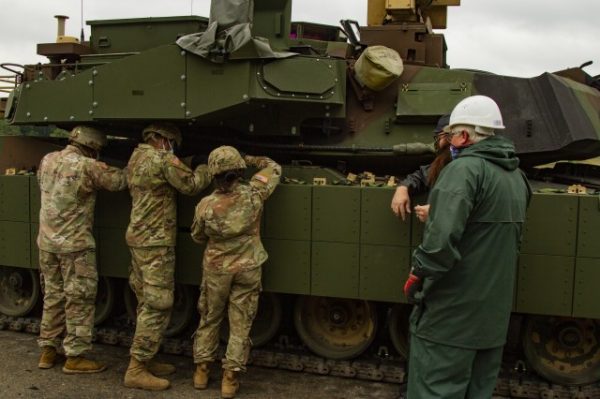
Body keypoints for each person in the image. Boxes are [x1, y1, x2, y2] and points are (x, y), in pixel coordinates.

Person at [403, 95, 531, 398]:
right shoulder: (517, 176)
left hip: (450, 319)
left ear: (462, 135)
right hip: (491, 320)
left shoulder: (462, 171)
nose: (447, 142)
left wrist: (416, 277)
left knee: (435, 390)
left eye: (450, 135)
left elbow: (438, 246)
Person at [123, 122, 211, 391]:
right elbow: (192, 184)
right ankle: (136, 369)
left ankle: (147, 359)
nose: (172, 148)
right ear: (162, 140)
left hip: (139, 238)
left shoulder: (136, 156)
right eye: (172, 143)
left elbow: (168, 168)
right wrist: (206, 167)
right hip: (156, 242)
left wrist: (181, 161)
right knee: (158, 303)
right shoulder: (162, 159)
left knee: (144, 300)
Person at [190, 146, 281, 399]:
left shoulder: (206, 205)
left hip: (217, 270)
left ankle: (201, 372)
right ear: (239, 171)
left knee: (210, 317)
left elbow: (197, 236)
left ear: (213, 174)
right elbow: (274, 167)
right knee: (241, 324)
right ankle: (230, 379)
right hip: (248, 268)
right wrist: (250, 158)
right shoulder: (254, 194)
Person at [37, 125, 127, 373]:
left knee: (53, 296)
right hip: (74, 246)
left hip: (47, 242)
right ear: (93, 148)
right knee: (80, 299)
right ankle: (75, 357)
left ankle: (48, 350)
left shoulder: (47, 159)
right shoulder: (88, 166)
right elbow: (119, 181)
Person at [390, 114, 452, 222]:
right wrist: (403, 188)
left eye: (440, 137)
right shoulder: (445, 163)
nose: (438, 143)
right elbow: (422, 175)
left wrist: (436, 214)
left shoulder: (466, 167)